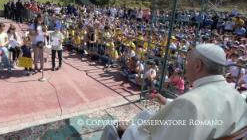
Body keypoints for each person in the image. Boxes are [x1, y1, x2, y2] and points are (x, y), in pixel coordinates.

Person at [100, 44, 247, 140]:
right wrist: (168, 102)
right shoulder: (236, 95)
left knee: (112, 127)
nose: (185, 67)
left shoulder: (190, 102)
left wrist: (129, 130)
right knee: (145, 114)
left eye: (187, 63)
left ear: (197, 65)